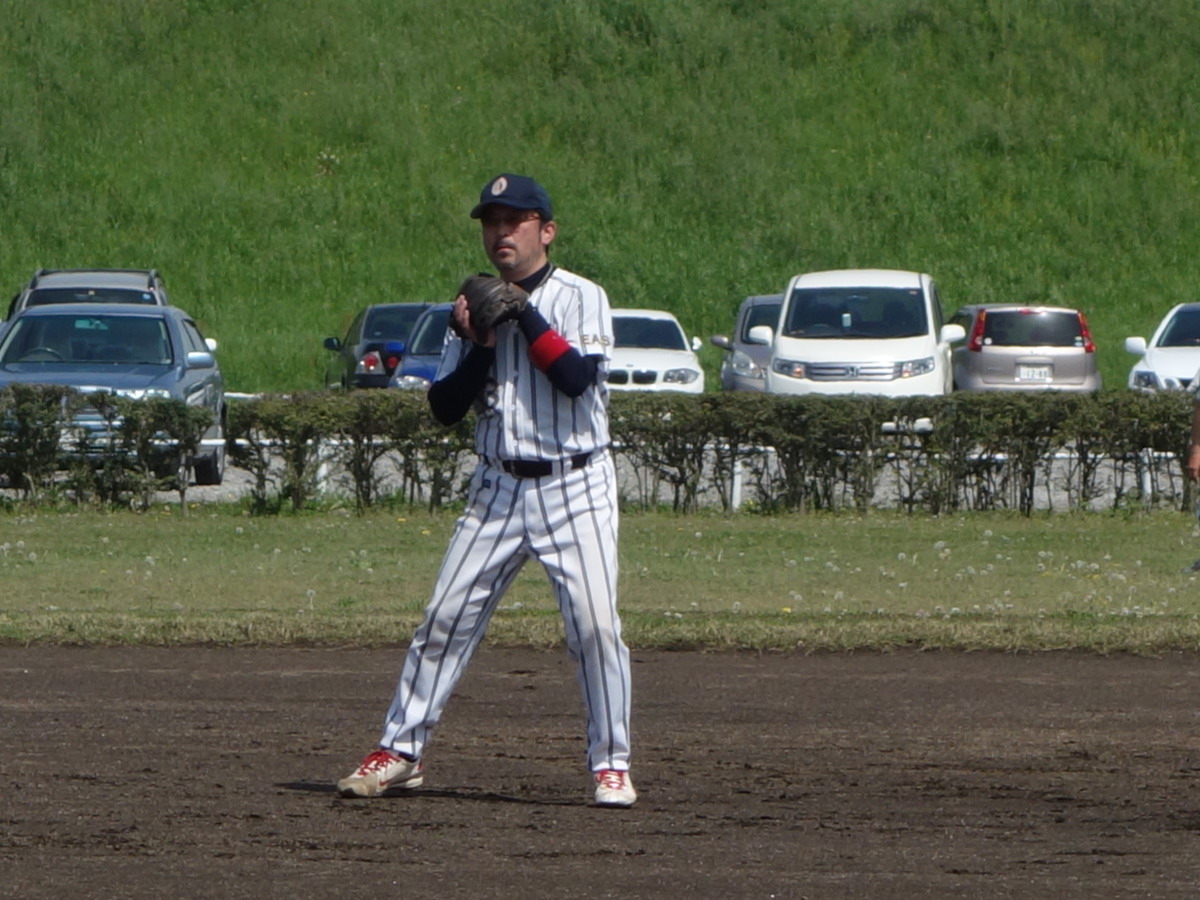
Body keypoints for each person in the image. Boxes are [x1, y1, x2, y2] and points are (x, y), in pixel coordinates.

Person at [337, 174, 636, 808]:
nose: (501, 232)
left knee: (595, 627)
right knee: (444, 619)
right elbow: (444, 407)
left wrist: (524, 314)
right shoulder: (471, 306)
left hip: (575, 483)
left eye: (514, 220)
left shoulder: (583, 296)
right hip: (497, 486)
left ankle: (611, 764)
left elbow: (576, 378)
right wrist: (477, 343)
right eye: (491, 221)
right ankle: (401, 751)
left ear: (546, 231)